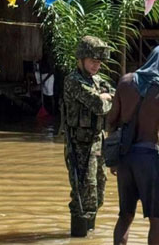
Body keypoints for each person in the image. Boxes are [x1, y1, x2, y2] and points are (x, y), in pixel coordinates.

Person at [107, 45, 159, 245]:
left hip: (125, 159)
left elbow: (111, 121)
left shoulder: (125, 82)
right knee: (157, 222)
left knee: (125, 216)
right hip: (148, 161)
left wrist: (113, 158)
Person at [63, 36, 114, 237]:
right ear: (81, 59)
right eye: (92, 61)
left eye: (99, 62)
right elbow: (98, 105)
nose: (96, 65)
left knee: (98, 194)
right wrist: (104, 99)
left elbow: (116, 97)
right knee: (82, 197)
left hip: (97, 144)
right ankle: (78, 237)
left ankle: (89, 237)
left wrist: (106, 97)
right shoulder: (73, 81)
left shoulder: (96, 81)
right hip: (79, 146)